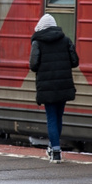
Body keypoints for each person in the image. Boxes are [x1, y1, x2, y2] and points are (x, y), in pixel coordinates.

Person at [29, 13, 78, 163]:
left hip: (47, 86)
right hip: (63, 85)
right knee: (58, 117)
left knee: (51, 118)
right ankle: (53, 147)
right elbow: (75, 61)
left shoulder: (38, 43)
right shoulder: (65, 40)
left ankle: (55, 151)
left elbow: (33, 65)